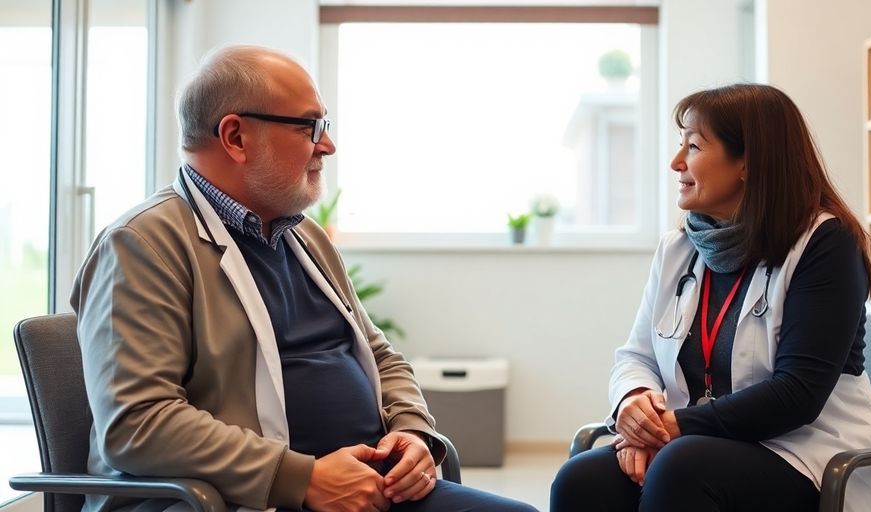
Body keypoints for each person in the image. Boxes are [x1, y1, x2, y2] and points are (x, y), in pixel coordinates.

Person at [71, 45, 537, 512]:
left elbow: (379, 355)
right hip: (237, 501)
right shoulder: (141, 245)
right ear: (235, 136)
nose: (327, 145)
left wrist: (411, 431)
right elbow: (137, 423)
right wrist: (303, 478)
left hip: (369, 488)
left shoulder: (303, 235)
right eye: (308, 126)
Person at [550, 84, 871, 512]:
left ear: (748, 162)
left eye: (693, 146)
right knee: (581, 481)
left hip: (808, 455)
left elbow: (797, 393)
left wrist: (671, 427)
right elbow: (637, 356)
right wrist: (636, 407)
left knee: (680, 469)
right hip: (698, 445)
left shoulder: (824, 245)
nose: (676, 162)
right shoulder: (678, 248)